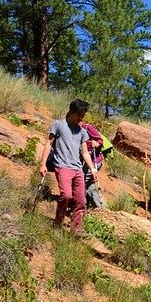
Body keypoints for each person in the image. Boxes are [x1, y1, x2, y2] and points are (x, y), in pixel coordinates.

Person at [39, 99, 98, 235]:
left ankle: (75, 230)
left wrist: (93, 169)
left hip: (77, 169)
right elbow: (48, 144)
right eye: (79, 115)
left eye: (83, 116)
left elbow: (84, 152)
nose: (81, 119)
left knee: (80, 201)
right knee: (66, 196)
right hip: (62, 165)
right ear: (71, 112)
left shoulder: (82, 132)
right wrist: (43, 164)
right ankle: (57, 224)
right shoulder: (58, 125)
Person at [79, 119, 104, 209]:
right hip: (87, 162)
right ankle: (99, 206)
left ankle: (80, 206)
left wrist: (96, 144)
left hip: (95, 161)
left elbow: (100, 141)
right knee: (90, 185)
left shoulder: (87, 127)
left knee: (82, 181)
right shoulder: (75, 130)